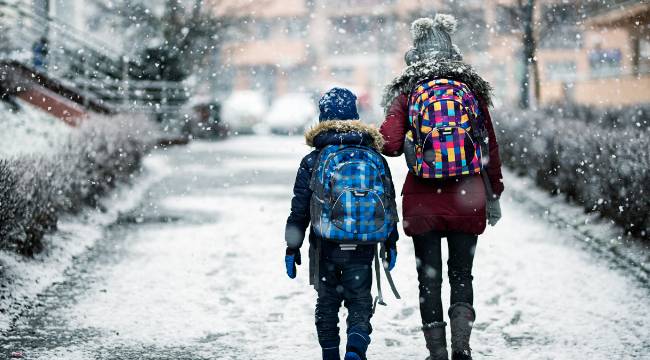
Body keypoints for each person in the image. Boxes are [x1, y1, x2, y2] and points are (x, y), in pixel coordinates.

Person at [379, 15, 504, 360]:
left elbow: (388, 143)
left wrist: (412, 146)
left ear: (414, 54)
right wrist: (494, 193)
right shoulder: (471, 90)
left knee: (429, 281)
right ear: (453, 52)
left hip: (423, 202)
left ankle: (437, 353)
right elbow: (489, 147)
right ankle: (461, 348)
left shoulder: (407, 92)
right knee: (462, 274)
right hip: (469, 196)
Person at [284, 88, 399, 360]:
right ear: (355, 116)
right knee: (360, 300)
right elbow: (389, 203)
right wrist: (391, 242)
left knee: (327, 303)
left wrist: (292, 247)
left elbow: (299, 208)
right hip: (364, 243)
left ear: (322, 117)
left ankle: (331, 355)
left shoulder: (313, 159)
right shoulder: (374, 155)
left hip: (326, 244)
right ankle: (356, 350)